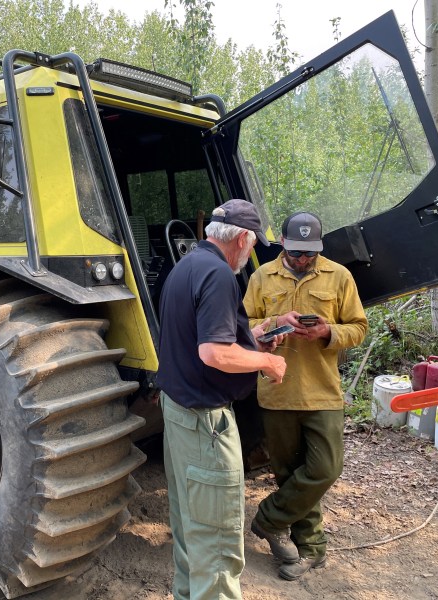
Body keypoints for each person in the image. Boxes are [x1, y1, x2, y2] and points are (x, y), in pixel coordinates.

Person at [157, 198, 287, 600]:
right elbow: (214, 353)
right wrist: (266, 360)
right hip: (205, 426)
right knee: (217, 545)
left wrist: (258, 334)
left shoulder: (187, 266)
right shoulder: (219, 275)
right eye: (252, 246)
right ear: (244, 239)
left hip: (177, 415)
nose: (250, 253)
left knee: (190, 531)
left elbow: (208, 334)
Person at [243, 211, 367, 580]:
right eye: (296, 252)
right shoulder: (262, 277)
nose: (301, 259)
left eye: (309, 253)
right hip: (276, 391)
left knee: (325, 469)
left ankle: (268, 519)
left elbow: (358, 327)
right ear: (282, 243)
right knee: (288, 473)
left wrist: (329, 333)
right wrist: (275, 326)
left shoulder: (338, 276)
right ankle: (310, 550)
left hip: (322, 391)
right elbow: (244, 325)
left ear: (319, 247)